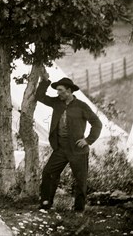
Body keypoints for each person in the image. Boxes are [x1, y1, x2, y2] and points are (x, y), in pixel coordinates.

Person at [36, 71, 102, 212]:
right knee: (48, 173)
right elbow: (39, 96)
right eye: (57, 90)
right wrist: (45, 81)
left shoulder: (81, 106)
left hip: (78, 149)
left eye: (60, 90)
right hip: (60, 148)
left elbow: (97, 123)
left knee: (80, 180)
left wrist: (88, 140)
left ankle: (78, 210)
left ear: (69, 91)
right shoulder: (57, 102)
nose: (58, 93)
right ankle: (46, 205)